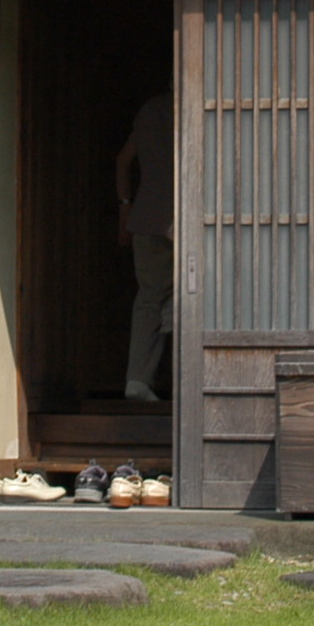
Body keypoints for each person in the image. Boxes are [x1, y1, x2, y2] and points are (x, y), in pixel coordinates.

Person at [113, 90, 173, 404]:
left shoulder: (150, 109)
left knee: (150, 298)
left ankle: (137, 380)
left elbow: (123, 160)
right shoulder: (198, 100)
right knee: (194, 299)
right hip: (183, 215)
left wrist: (125, 208)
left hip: (145, 217)